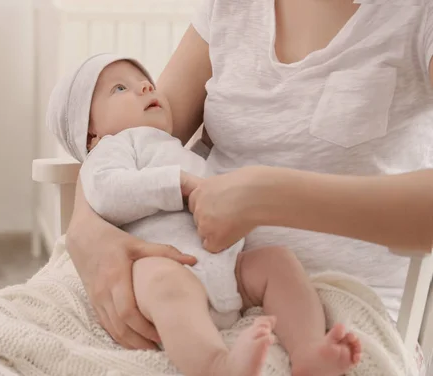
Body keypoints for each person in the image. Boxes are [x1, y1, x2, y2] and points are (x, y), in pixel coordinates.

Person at [64, 0, 433, 357]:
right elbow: (140, 135)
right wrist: (86, 229)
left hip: (340, 306)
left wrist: (267, 196)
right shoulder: (228, 7)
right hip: (202, 278)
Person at [47, 53, 362, 376]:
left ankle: (308, 349)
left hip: (227, 267)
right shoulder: (112, 149)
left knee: (277, 262)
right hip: (165, 264)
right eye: (119, 89)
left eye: (145, 81)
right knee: (166, 284)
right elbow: (106, 190)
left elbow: (209, 178)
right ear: (91, 135)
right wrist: (174, 183)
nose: (143, 86)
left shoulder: (175, 149)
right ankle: (217, 365)